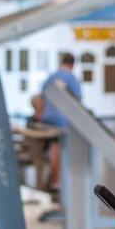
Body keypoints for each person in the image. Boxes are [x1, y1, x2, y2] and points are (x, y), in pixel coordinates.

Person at [40, 53, 82, 191]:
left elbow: (42, 98)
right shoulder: (71, 78)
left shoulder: (52, 76)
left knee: (54, 147)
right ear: (72, 64)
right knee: (58, 149)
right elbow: (78, 100)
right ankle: (55, 181)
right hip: (62, 119)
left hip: (48, 118)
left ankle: (53, 179)